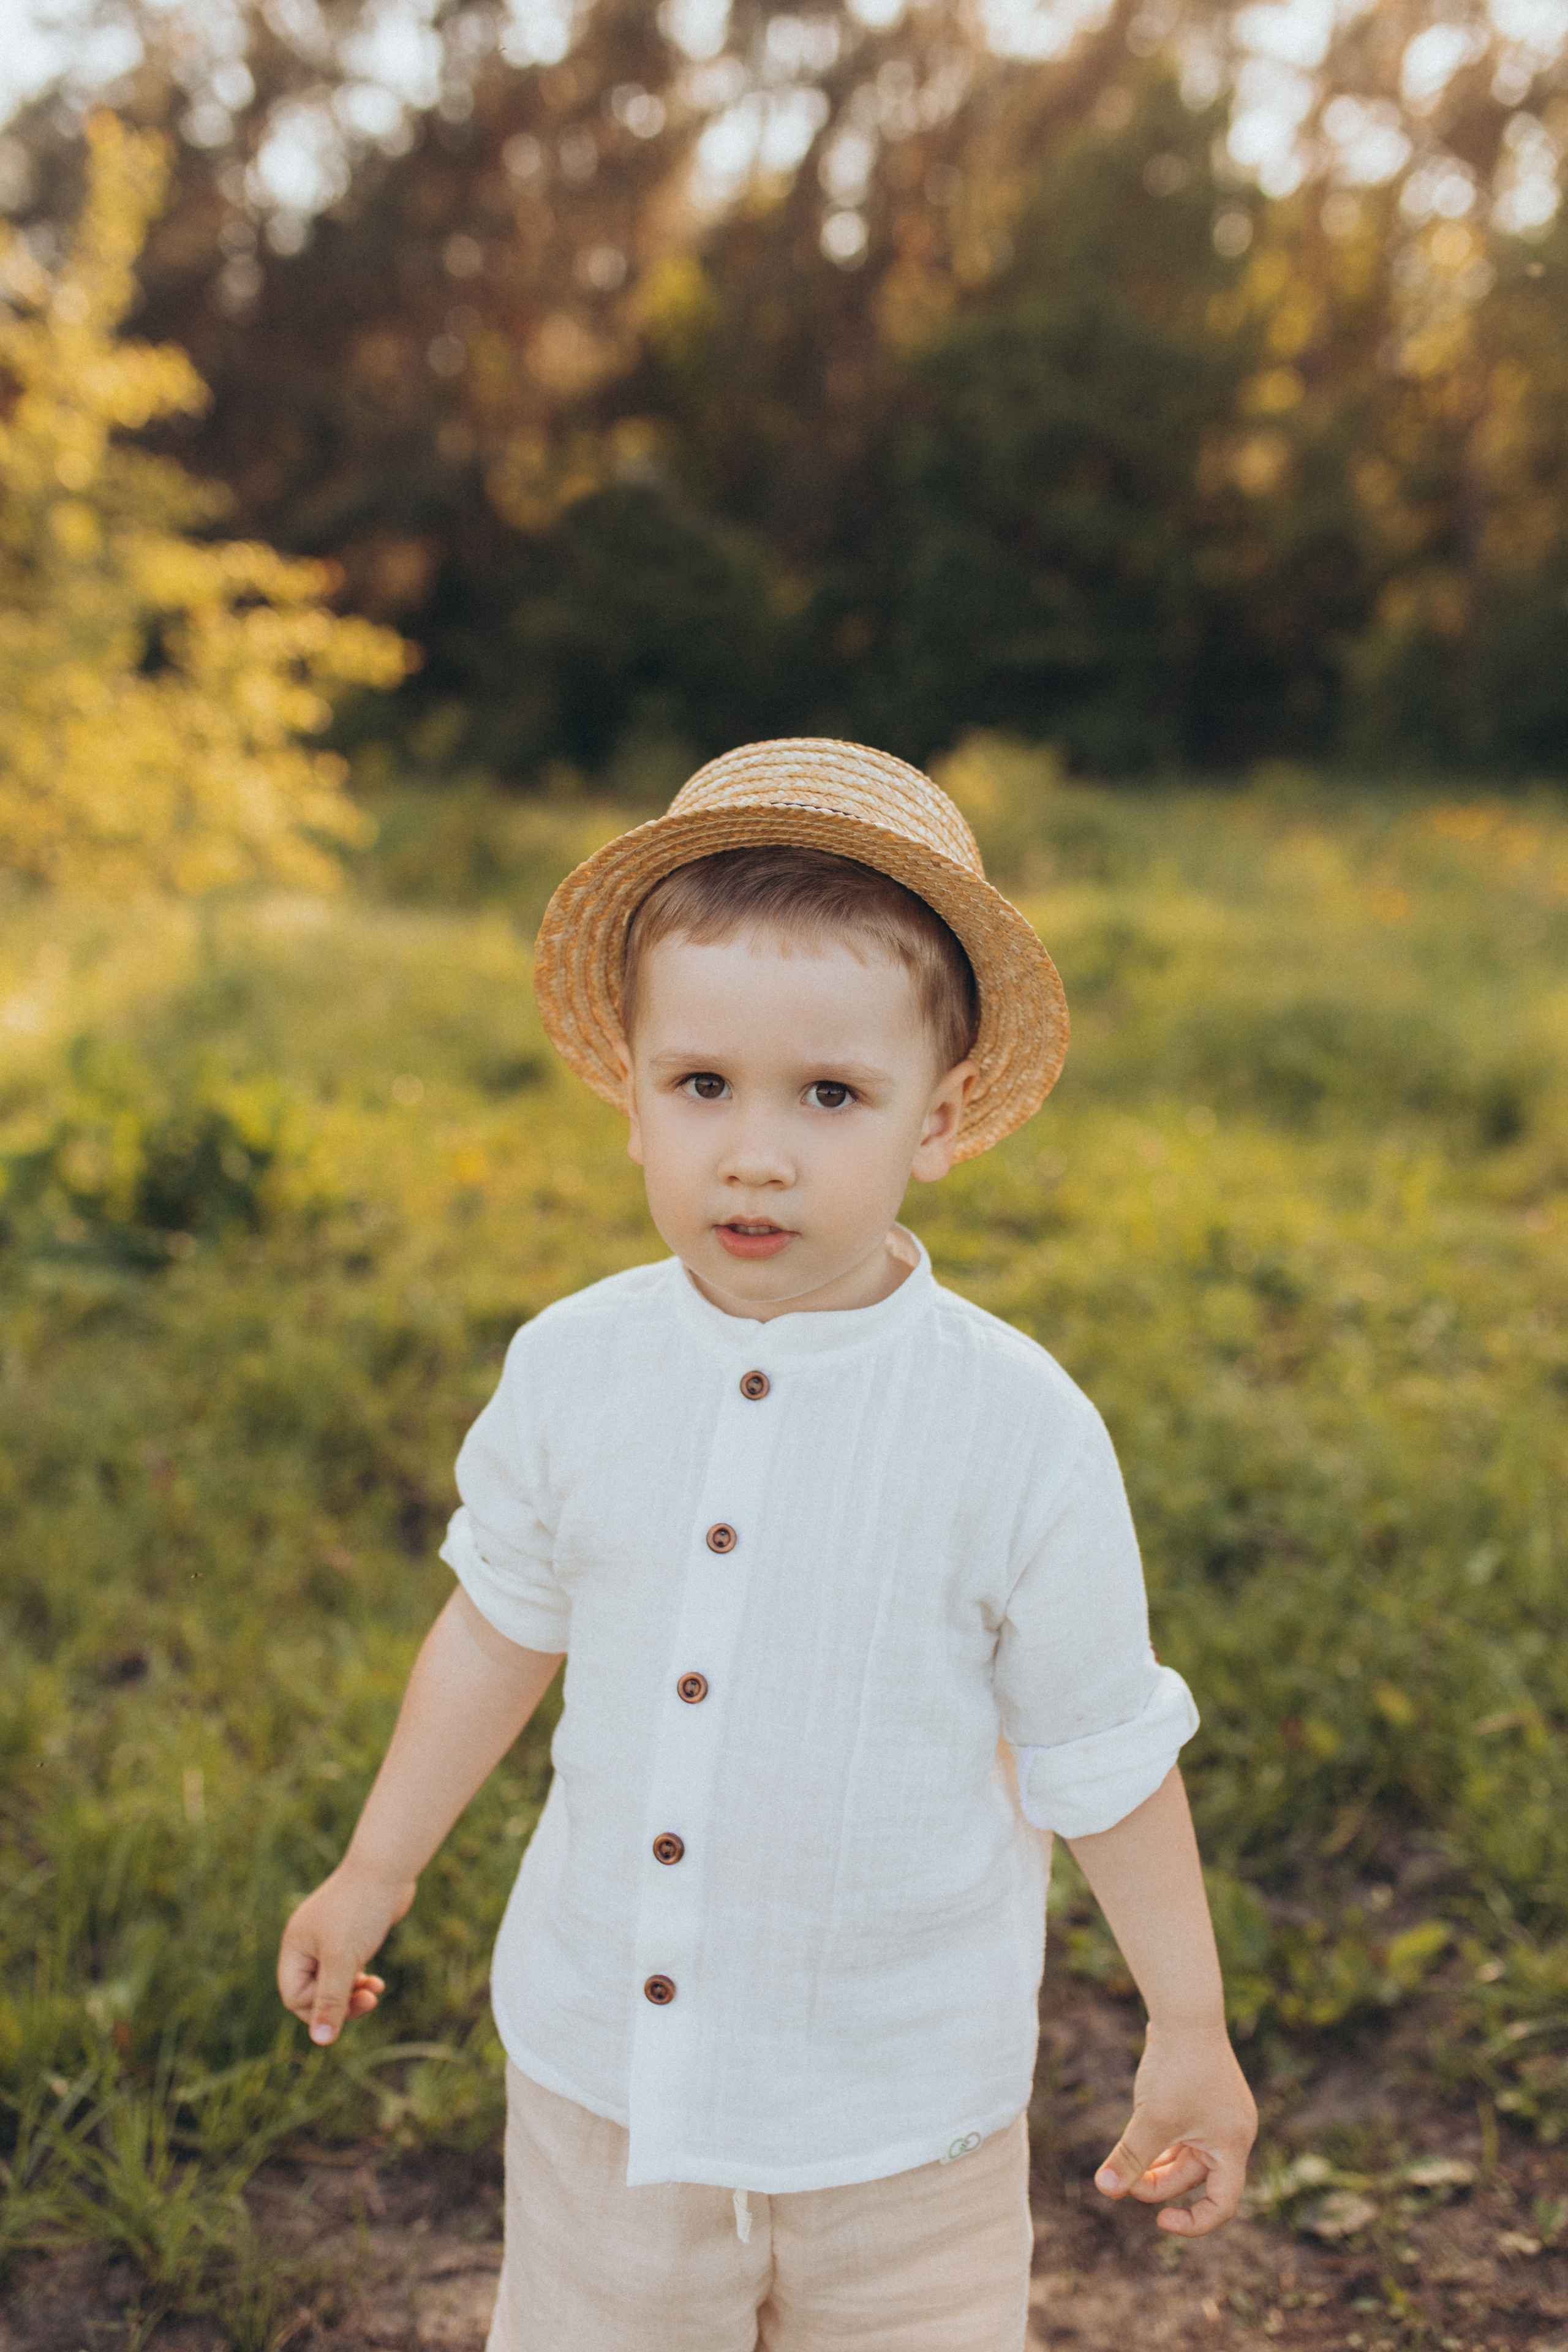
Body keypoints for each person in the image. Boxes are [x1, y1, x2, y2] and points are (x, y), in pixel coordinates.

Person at [277, 738, 1257, 2350]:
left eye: (831, 1095)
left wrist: (1190, 2025)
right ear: (631, 1092)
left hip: (905, 2116)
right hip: (609, 2081)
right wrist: (377, 1865)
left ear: (939, 1118)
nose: (755, 1152)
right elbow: (498, 1627)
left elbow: (1102, 1751)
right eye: (703, 1085)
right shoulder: (575, 1368)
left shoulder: (1016, 1427)